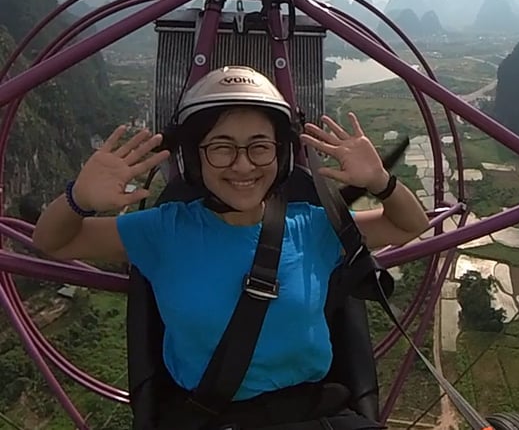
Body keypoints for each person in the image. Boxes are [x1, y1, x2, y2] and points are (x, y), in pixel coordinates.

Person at [32, 66, 430, 430]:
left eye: (260, 147)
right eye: (221, 147)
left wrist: (381, 182)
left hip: (314, 413)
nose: (242, 165)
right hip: (211, 417)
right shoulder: (163, 230)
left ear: (280, 154)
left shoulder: (313, 226)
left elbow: (409, 225)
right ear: (195, 157)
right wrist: (78, 198)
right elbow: (53, 240)